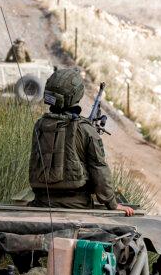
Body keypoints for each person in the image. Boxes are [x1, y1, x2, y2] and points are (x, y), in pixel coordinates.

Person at [29, 67, 134, 215]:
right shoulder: (85, 129)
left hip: (41, 203)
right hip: (77, 206)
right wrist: (112, 203)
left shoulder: (40, 125)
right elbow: (99, 168)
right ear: (77, 95)